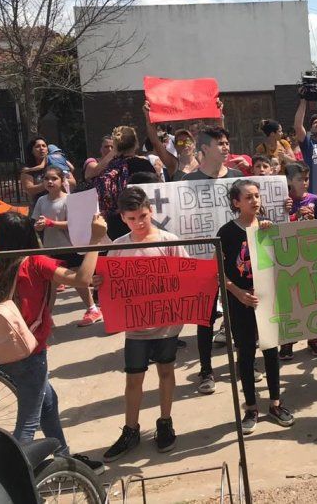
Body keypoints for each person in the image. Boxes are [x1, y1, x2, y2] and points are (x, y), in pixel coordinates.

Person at [0, 210, 107, 474]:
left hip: (6, 352)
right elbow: (82, 279)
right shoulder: (34, 262)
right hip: (30, 355)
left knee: (49, 404)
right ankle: (13, 480)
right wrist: (96, 240)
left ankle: (66, 461)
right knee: (28, 424)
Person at [102, 188, 187, 461]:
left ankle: (165, 422)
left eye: (143, 216)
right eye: (132, 218)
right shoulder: (118, 246)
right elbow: (109, 283)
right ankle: (131, 429)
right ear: (123, 218)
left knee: (166, 372)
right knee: (133, 378)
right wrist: (99, 284)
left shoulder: (168, 240)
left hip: (166, 324)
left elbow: (186, 274)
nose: (139, 223)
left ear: (151, 210)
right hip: (136, 326)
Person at [218, 179, 294, 435]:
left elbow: (284, 262)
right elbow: (219, 274)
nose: (255, 201)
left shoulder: (267, 228)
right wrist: (238, 293)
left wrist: (271, 233)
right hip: (241, 304)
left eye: (257, 196)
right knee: (246, 354)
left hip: (268, 300)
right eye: (248, 197)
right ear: (236, 202)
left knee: (272, 352)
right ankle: (251, 408)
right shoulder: (226, 233)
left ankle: (275, 403)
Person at [181, 127, 244, 394]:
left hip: (237, 258)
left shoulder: (239, 178)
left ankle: (245, 363)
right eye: (220, 143)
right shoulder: (186, 182)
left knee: (241, 314)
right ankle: (206, 370)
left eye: (228, 142)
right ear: (204, 149)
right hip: (203, 260)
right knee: (204, 319)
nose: (226, 147)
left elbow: (255, 209)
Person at [33, 166, 102, 326]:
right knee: (50, 284)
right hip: (51, 247)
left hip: (70, 247)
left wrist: (51, 223)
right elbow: (36, 221)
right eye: (46, 179)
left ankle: (92, 309)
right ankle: (46, 319)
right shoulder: (41, 201)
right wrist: (39, 226)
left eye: (54, 178)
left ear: (62, 181)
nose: (50, 182)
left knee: (79, 281)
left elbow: (73, 223)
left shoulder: (69, 200)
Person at [279, 162, 317, 359]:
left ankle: (313, 338)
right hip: (287, 259)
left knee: (311, 298)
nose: (305, 183)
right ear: (289, 181)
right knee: (288, 301)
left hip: (311, 256)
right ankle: (288, 341)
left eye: (306, 179)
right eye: (300, 179)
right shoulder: (282, 202)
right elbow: (274, 227)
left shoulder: (315, 199)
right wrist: (291, 214)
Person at [97, 126, 158, 241]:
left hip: (114, 227)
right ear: (136, 143)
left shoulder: (108, 168)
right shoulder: (144, 165)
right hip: (142, 223)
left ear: (115, 146)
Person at [21, 137, 76, 205]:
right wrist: (50, 184)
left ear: (47, 150)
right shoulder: (28, 170)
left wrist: (55, 183)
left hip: (62, 206)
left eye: (44, 146)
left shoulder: (58, 165)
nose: (41, 148)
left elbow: (73, 183)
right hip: (39, 208)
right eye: (37, 146)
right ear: (31, 151)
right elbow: (29, 189)